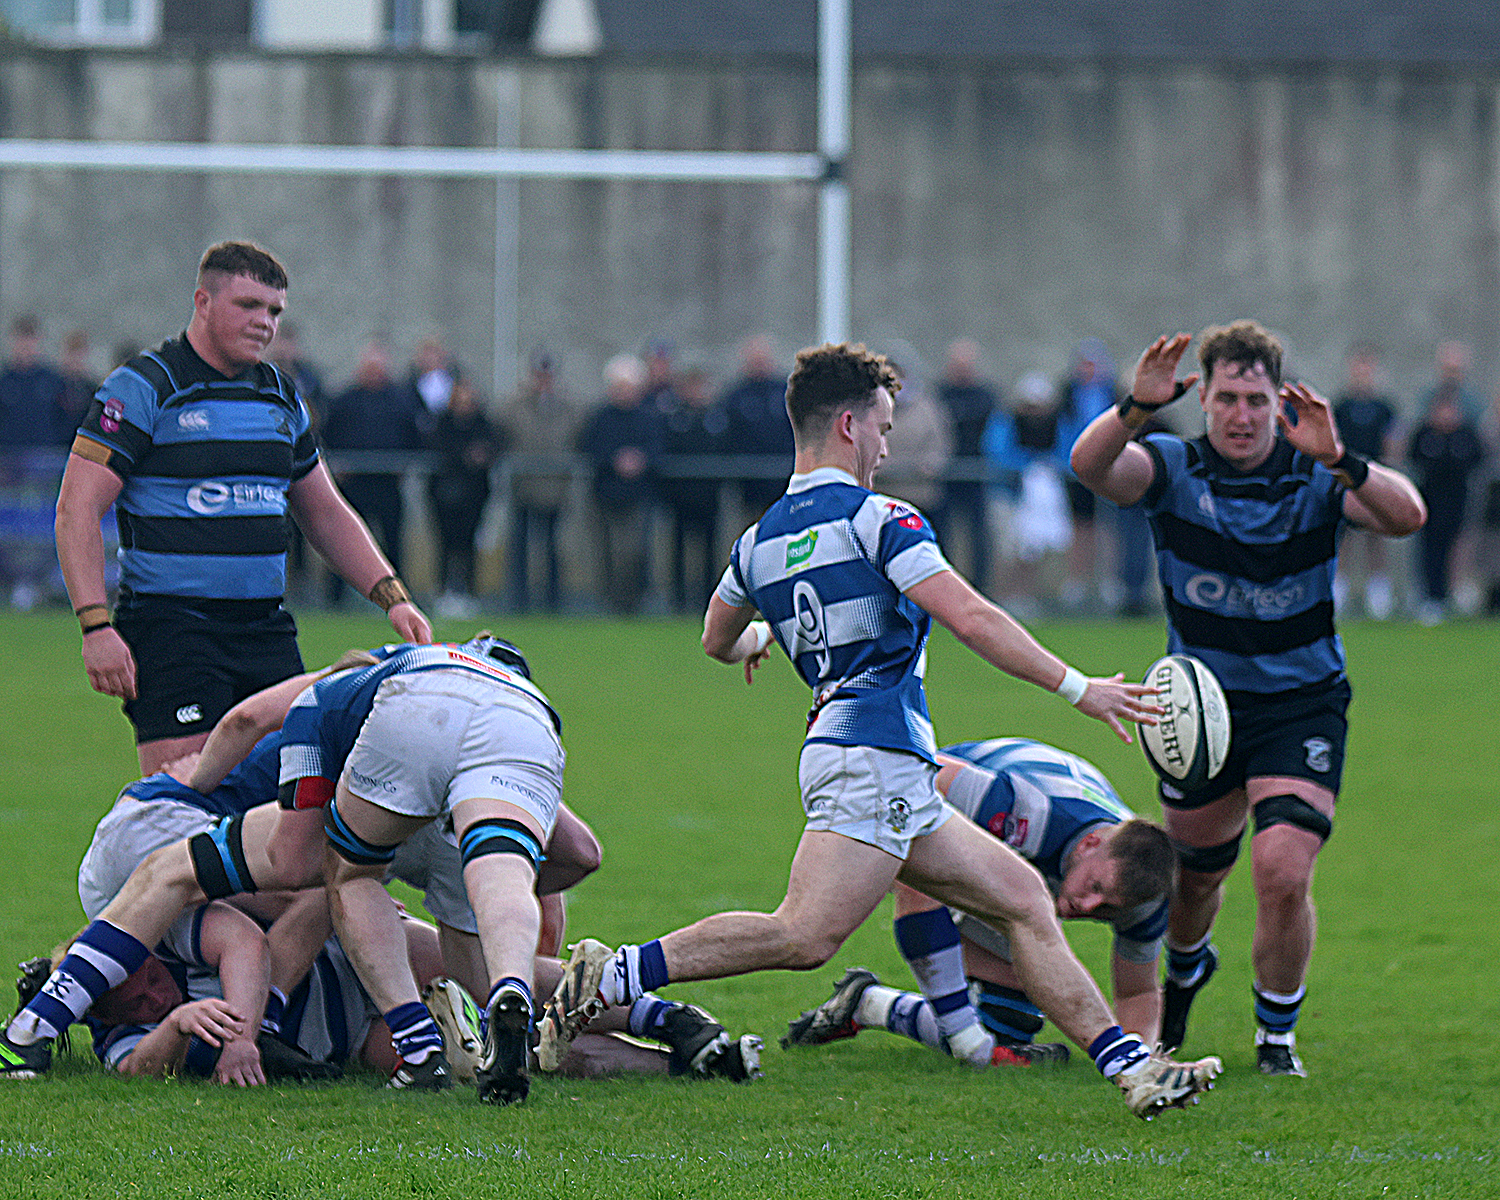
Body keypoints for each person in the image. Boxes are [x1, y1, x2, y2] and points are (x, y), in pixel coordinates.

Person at [538, 342, 1221, 1120]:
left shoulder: (757, 541)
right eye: (885, 428)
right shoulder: (883, 518)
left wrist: (764, 637)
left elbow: (714, 639)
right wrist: (1078, 687)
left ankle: (1134, 1070)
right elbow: (971, 617)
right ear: (850, 425)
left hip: (871, 756)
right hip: (873, 751)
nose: (888, 447)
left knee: (1025, 899)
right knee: (803, 936)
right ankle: (610, 975)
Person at [1069, 322, 1427, 1075]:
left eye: (1256, 400)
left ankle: (1276, 1037)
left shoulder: (1316, 471)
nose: (1241, 414)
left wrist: (1341, 457)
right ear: (1204, 401)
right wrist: (1136, 408)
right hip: (1199, 709)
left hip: (1301, 702)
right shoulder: (1175, 466)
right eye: (1227, 398)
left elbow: (1407, 517)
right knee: (1196, 880)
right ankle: (1186, 972)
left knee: (1283, 869)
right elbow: (1090, 467)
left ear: (1278, 403)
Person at [52, 242, 432, 776]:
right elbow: (76, 509)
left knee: (290, 795)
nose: (265, 322)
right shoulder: (144, 387)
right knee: (186, 796)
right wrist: (95, 626)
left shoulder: (280, 396)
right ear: (203, 303)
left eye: (274, 310)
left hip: (264, 631)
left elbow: (325, 512)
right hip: (173, 629)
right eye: (248, 305)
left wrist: (392, 596)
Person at [782, 737, 1174, 1066]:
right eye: (1093, 887)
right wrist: (963, 1036)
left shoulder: (1143, 896)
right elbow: (917, 786)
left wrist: (1141, 1065)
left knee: (1010, 1019)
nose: (1088, 907)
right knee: (926, 863)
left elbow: (1137, 992)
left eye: (1108, 908)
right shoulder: (1030, 811)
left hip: (1012, 862)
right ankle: (963, 1037)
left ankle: (867, 1003)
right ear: (1089, 844)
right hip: (908, 797)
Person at [319, 337, 429, 607]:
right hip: (354, 483)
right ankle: (335, 599)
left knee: (393, 544)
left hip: (387, 484)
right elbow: (327, 435)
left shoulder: (400, 401)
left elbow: (415, 437)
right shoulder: (345, 400)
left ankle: (398, 599)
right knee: (345, 542)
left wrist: (404, 465)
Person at [576, 354, 661, 614]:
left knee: (632, 552)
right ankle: (609, 601)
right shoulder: (600, 418)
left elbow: (658, 450)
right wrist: (615, 461)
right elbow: (589, 449)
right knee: (605, 553)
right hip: (605, 495)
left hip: (636, 496)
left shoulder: (648, 418)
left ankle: (631, 601)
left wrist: (640, 461)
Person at [500, 351, 581, 613]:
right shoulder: (514, 407)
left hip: (556, 488)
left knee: (554, 548)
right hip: (524, 487)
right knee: (520, 547)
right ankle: (519, 601)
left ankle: (553, 601)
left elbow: (576, 441)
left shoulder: (569, 409)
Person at [1332, 344, 1402, 619]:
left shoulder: (1384, 408)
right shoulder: (1341, 406)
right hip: (1346, 480)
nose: (1362, 373)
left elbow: (1392, 442)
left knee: (1377, 535)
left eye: (1367, 368)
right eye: (1358, 367)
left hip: (1375, 479)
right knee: (1344, 537)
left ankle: (1378, 596)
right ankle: (1339, 592)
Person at [1406, 387, 1485, 625]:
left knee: (1458, 549)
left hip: (1457, 503)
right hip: (1429, 503)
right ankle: (1432, 596)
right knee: (1430, 550)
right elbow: (1414, 460)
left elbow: (1476, 461)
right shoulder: (1425, 434)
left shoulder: (1466, 435)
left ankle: (1457, 593)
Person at [657, 364, 730, 613]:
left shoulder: (717, 418)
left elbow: (724, 449)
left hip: (709, 495)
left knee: (710, 549)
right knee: (678, 548)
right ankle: (678, 598)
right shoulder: (674, 417)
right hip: (681, 496)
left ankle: (708, 597)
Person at [426, 375, 502, 607]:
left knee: (469, 544)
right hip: (445, 493)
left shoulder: (483, 424)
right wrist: (465, 457)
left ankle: (469, 591)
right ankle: (443, 590)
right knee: (445, 543)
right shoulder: (443, 423)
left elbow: (496, 446)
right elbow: (438, 449)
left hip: (474, 494)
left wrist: (483, 455)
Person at [932, 338, 999, 594]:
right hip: (947, 475)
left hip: (977, 475)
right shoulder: (940, 395)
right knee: (943, 536)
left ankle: (981, 589)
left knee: (979, 536)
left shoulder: (986, 395)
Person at [0, 314, 66, 450]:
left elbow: (62, 418)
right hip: (8, 454)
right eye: (21, 339)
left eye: (30, 339)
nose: (25, 345)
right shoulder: (4, 381)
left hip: (44, 454)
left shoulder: (53, 381)